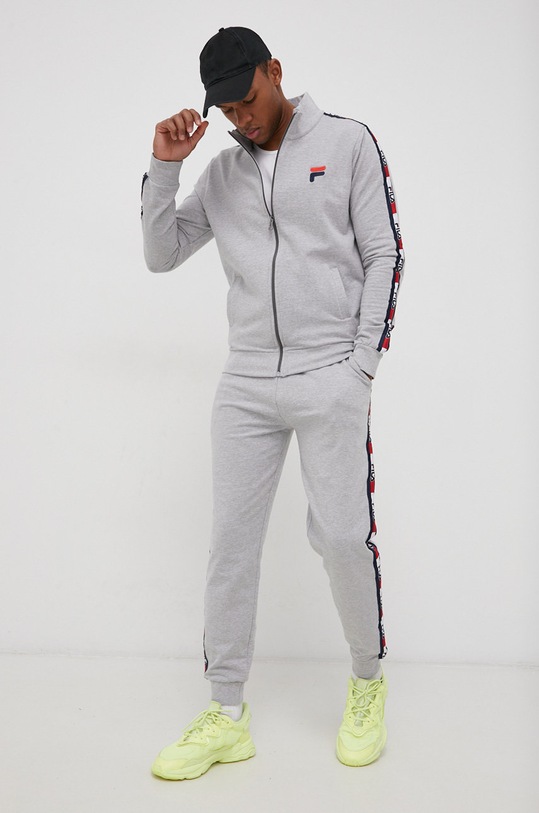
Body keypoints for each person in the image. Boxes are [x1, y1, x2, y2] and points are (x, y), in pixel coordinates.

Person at [141, 26, 404, 781]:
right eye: (226, 108)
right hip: (248, 382)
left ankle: (366, 682)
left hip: (330, 372)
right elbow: (161, 254)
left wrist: (360, 367)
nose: (241, 118)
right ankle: (226, 713)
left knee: (342, 538)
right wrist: (165, 167)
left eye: (248, 98)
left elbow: (384, 252)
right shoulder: (222, 174)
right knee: (231, 543)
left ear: (275, 71)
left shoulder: (347, 143)